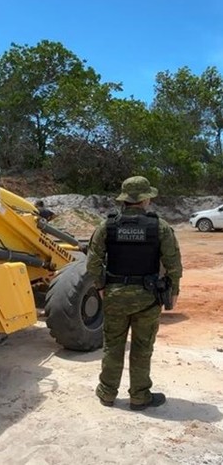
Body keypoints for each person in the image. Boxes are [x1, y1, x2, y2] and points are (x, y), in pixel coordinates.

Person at [86, 176, 182, 410]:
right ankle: (139, 397)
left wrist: (100, 286)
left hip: (115, 296)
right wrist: (174, 290)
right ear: (145, 199)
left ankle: (107, 393)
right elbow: (173, 262)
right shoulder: (159, 226)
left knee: (112, 346)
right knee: (142, 348)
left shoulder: (107, 225)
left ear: (125, 199)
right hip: (147, 298)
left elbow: (93, 261)